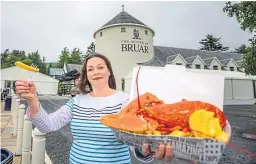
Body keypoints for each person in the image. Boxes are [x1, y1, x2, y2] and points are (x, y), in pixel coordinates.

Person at [15, 53, 173, 164]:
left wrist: (144, 151)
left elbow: (135, 143)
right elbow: (47, 125)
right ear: (86, 75)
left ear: (109, 71)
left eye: (100, 67)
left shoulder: (125, 102)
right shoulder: (77, 101)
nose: (96, 72)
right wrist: (33, 99)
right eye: (90, 69)